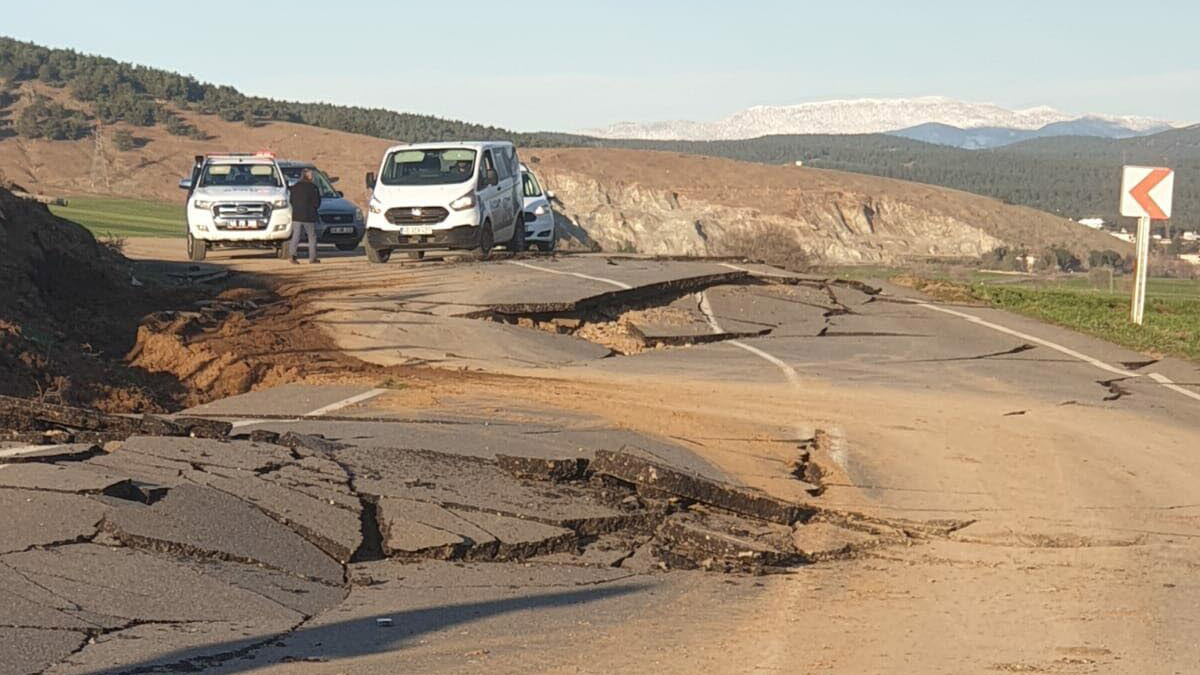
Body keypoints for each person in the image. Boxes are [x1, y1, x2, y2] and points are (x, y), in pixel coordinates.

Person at [288, 168, 321, 264]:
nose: (312, 177)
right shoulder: (313, 187)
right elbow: (317, 202)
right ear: (307, 176)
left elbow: (291, 200)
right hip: (309, 216)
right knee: (312, 237)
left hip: (296, 215)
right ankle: (312, 258)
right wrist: (314, 208)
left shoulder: (295, 187)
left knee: (296, 236)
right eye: (311, 175)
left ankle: (292, 256)